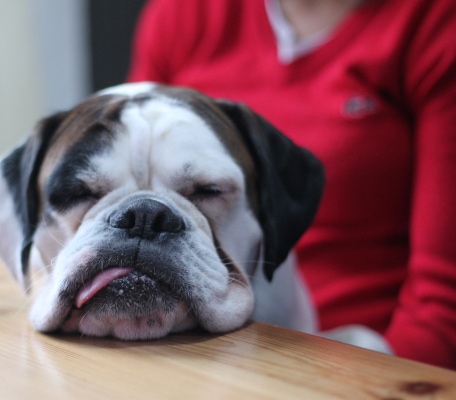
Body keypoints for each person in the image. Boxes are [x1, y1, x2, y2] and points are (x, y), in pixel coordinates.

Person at [127, 0, 456, 369]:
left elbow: (442, 309)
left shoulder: (435, 23)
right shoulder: (184, 13)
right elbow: (128, 185)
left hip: (354, 358)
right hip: (186, 347)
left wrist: (374, 381)